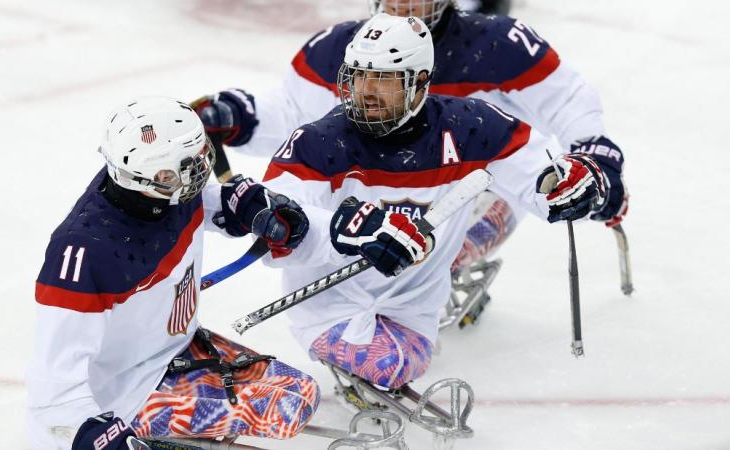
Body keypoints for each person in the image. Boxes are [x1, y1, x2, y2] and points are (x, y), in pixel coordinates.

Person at [193, 0, 628, 322]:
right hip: (372, 194)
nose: (404, 5)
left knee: (429, 238)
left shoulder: (498, 45)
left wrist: (592, 160)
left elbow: (567, 100)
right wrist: (242, 117)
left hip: (470, 197)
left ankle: (416, 302)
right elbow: (293, 112)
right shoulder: (342, 48)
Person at [257, 14, 622, 390]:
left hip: (412, 310)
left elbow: (540, 175)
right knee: (390, 366)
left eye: (383, 79)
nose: (366, 91)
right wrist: (341, 231)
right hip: (329, 305)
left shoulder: (471, 127)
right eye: (357, 76)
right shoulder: (316, 142)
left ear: (419, 84)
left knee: (403, 360)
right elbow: (275, 226)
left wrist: (572, 181)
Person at [26, 97, 318, 449]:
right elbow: (52, 389)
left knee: (301, 395)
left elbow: (197, 201)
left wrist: (242, 205)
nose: (199, 170)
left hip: (177, 349)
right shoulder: (83, 254)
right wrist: (94, 437)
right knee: (283, 408)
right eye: (187, 166)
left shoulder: (159, 190)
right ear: (153, 176)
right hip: (127, 394)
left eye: (198, 158)